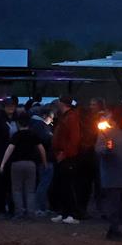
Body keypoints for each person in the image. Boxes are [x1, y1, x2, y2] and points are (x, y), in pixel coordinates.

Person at [95, 104, 122, 241]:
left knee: (121, 204)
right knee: (114, 204)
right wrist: (107, 150)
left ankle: (115, 228)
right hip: (112, 175)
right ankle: (113, 230)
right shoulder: (108, 130)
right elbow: (99, 148)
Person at [0, 113, 47, 219]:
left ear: (18, 123)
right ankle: (31, 212)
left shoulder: (16, 135)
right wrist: (44, 162)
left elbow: (10, 149)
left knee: (17, 189)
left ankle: (19, 212)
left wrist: (3, 163)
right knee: (30, 190)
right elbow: (41, 149)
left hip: (16, 164)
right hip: (31, 164)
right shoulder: (33, 135)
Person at [50, 95, 83, 224]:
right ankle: (64, 212)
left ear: (62, 103)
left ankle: (70, 213)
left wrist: (65, 153)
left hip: (67, 157)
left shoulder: (71, 118)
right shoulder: (65, 117)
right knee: (61, 185)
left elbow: (74, 139)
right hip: (62, 155)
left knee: (67, 185)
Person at [0, 97, 18, 217]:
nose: (11, 107)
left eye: (12, 105)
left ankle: (9, 208)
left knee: (10, 184)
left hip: (12, 156)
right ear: (4, 107)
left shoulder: (14, 120)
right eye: (8, 106)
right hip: (0, 155)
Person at [30, 106, 55, 215]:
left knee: (42, 183)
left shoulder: (35, 125)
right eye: (51, 117)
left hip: (39, 159)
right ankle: (39, 207)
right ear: (45, 116)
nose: (52, 120)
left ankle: (42, 207)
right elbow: (44, 143)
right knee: (44, 184)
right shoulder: (41, 127)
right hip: (44, 159)